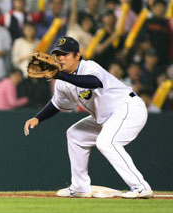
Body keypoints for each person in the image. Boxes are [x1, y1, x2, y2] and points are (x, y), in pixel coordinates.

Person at [23, 36, 153, 199]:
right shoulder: (62, 81)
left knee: (106, 142)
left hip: (128, 108)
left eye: (65, 54)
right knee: (75, 134)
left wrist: (59, 76)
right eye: (58, 54)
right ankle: (79, 187)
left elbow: (93, 82)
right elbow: (57, 104)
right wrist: (38, 118)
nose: (60, 58)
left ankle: (140, 187)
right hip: (106, 118)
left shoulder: (89, 67)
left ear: (78, 55)